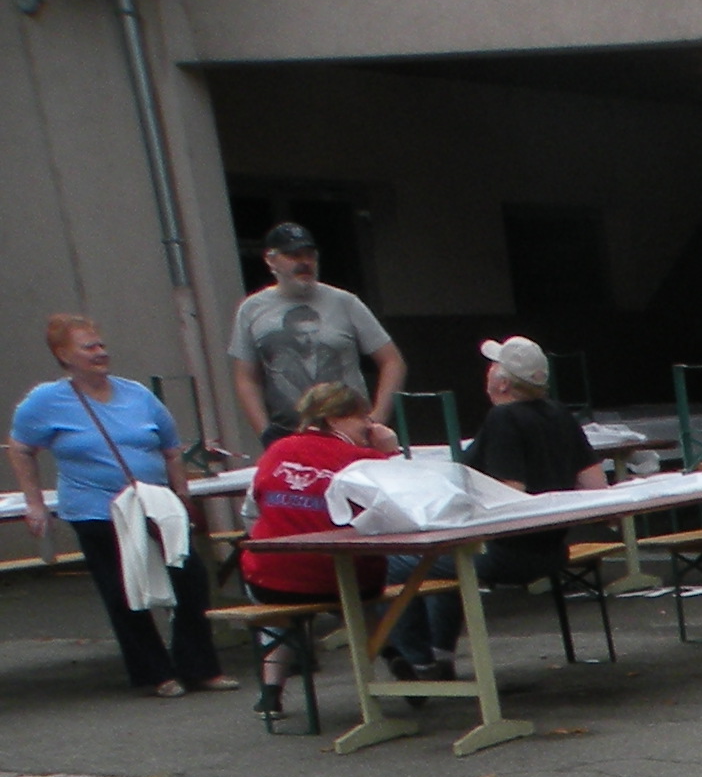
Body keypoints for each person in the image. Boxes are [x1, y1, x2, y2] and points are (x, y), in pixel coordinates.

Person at [11, 312, 231, 696]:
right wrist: (34, 502)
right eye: (89, 347)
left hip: (153, 504)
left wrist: (182, 498)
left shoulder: (137, 394)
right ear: (64, 356)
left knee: (190, 579)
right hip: (97, 511)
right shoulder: (46, 400)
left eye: (101, 345)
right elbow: (21, 447)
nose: (100, 353)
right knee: (122, 590)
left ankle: (200, 667)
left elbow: (170, 450)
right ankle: (154, 673)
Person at [419, 335, 610, 666]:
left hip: (507, 554)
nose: (488, 371)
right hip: (553, 550)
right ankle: (436, 653)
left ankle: (417, 658)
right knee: (445, 561)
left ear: (503, 383)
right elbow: (596, 485)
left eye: (494, 366)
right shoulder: (559, 414)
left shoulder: (504, 419)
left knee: (400, 562)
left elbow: (509, 496)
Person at [242, 379, 409, 715]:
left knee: (279, 597)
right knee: (353, 593)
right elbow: (404, 504)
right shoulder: (363, 459)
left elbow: (251, 511)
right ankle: (397, 661)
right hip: (344, 579)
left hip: (271, 581)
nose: (370, 424)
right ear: (335, 420)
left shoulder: (276, 451)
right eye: (361, 416)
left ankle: (272, 690)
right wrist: (389, 452)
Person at [228, 221, 403, 445]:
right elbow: (246, 378)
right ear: (271, 260)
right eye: (294, 256)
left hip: (349, 432)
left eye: (310, 255)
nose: (304, 263)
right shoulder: (251, 309)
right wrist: (265, 433)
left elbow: (392, 361)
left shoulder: (345, 302)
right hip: (289, 433)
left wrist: (376, 417)